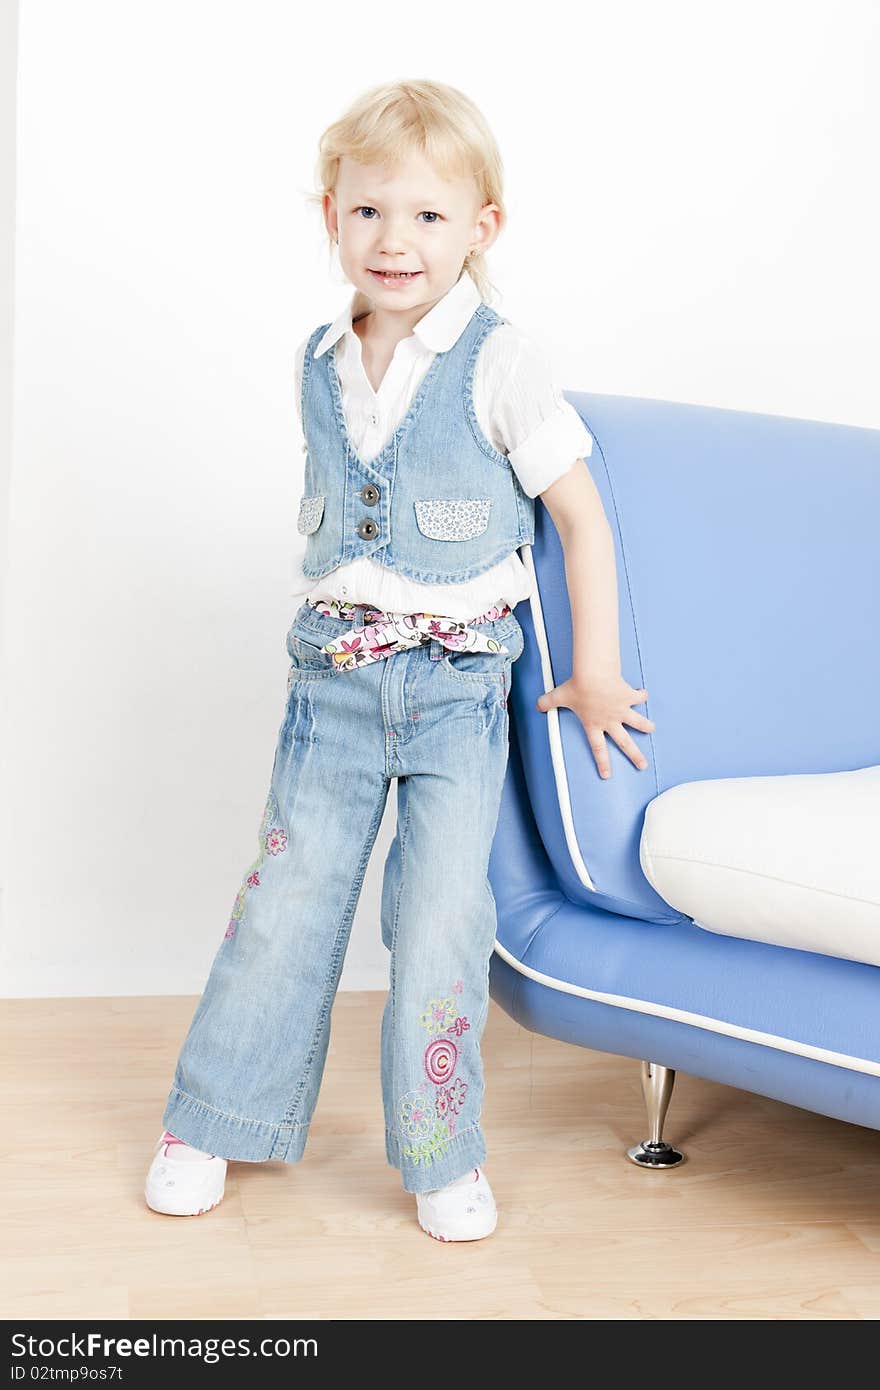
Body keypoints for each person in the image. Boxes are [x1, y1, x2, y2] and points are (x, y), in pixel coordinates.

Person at [144, 78, 655, 1239]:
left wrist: (596, 671)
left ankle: (439, 1150)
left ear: (484, 228)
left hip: (457, 692)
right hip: (330, 679)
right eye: (370, 211)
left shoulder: (501, 360)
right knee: (285, 902)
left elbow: (580, 520)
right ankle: (213, 1116)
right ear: (330, 214)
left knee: (437, 921)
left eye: (429, 215)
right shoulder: (318, 357)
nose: (395, 240)